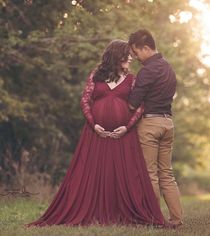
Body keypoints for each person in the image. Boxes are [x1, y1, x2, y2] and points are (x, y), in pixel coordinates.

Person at [26, 40, 165, 227]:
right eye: (127, 54)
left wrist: (127, 127)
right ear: (116, 55)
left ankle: (123, 212)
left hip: (123, 136)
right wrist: (94, 125)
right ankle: (92, 211)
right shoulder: (96, 76)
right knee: (89, 174)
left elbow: (140, 105)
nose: (131, 58)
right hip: (95, 135)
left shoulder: (132, 80)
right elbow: (85, 101)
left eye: (132, 54)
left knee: (126, 176)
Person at [128, 29, 183, 228]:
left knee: (150, 173)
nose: (135, 57)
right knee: (166, 173)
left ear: (146, 48)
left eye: (136, 52)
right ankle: (176, 219)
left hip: (150, 124)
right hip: (168, 123)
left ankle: (154, 218)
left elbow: (133, 103)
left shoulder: (147, 70)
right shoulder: (168, 68)